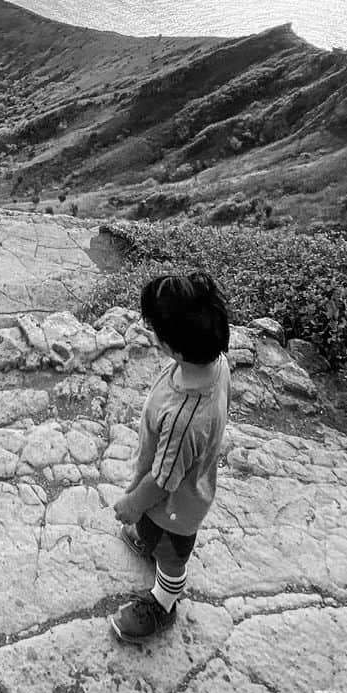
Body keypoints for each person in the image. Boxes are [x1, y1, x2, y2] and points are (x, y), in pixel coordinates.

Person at [109, 271, 231, 644]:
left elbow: (163, 481)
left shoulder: (185, 418)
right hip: (183, 486)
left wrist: (132, 503)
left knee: (171, 553)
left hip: (173, 507)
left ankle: (164, 601)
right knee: (153, 535)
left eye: (155, 330)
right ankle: (149, 540)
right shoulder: (216, 362)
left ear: (175, 347)